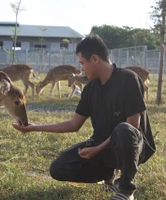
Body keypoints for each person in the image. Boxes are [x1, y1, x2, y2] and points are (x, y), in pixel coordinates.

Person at [12, 34, 156, 200]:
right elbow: (74, 124)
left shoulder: (128, 79)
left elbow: (133, 124)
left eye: (82, 63)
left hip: (132, 145)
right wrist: (34, 128)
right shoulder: (90, 88)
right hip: (102, 146)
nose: (81, 69)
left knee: (123, 129)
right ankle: (108, 175)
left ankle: (126, 190)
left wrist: (98, 149)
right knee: (59, 168)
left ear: (94, 58)